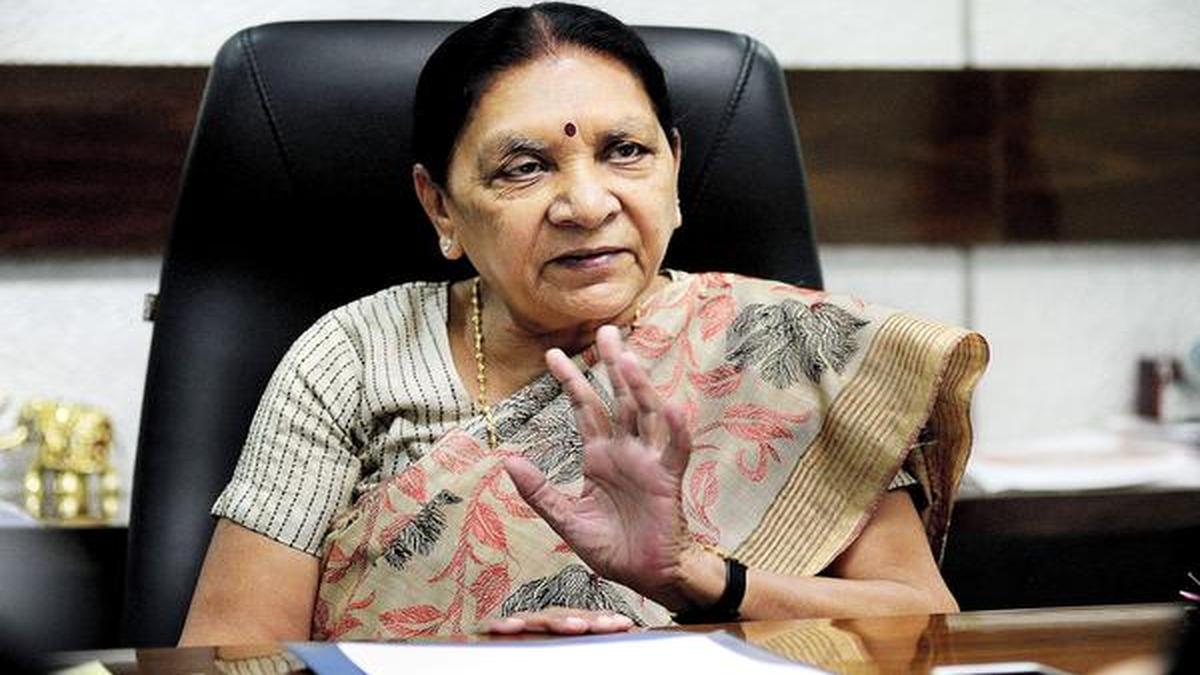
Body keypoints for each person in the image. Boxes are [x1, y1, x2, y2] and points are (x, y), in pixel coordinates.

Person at [180, 2, 988, 644]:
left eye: (625, 151)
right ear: (441, 206)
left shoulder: (787, 348)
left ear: (675, 167)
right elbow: (230, 654)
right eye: (525, 167)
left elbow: (922, 624)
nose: (588, 203)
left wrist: (698, 578)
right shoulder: (355, 355)